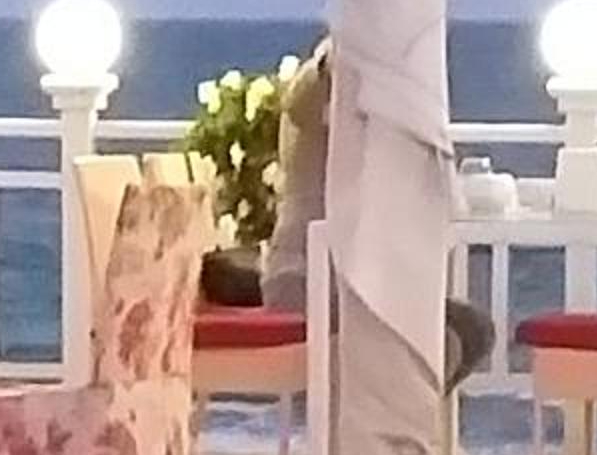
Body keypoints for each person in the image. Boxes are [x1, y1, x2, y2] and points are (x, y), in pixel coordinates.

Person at [206, 35, 492, 392]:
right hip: (304, 281)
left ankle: (398, 404)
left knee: (470, 328)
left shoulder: (376, 121)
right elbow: (303, 98)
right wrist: (339, 60)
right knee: (448, 328)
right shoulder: (320, 94)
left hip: (350, 282)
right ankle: (391, 405)